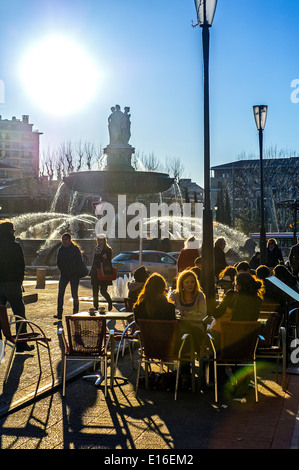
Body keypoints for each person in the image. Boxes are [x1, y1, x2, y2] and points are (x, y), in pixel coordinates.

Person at [0, 219, 33, 352]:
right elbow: (21, 266)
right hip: (12, 284)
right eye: (13, 230)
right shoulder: (15, 246)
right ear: (10, 231)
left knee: (0, 316)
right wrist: (19, 282)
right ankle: (21, 344)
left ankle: (0, 349)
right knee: (20, 315)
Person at [55, 233, 84, 320]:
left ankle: (75, 313)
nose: (64, 241)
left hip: (74, 275)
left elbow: (79, 262)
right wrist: (62, 270)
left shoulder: (75, 249)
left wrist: (75, 271)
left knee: (74, 294)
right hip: (64, 275)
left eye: (66, 239)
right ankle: (59, 313)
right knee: (60, 294)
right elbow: (58, 261)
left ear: (70, 240)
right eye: (63, 239)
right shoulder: (61, 249)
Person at [90, 234, 113, 311]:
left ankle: (110, 302)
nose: (99, 241)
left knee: (103, 291)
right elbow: (94, 261)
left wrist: (105, 258)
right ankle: (95, 307)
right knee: (95, 291)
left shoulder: (108, 249)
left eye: (101, 240)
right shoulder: (96, 248)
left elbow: (109, 262)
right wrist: (91, 271)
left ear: (104, 240)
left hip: (103, 273)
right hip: (95, 272)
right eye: (98, 239)